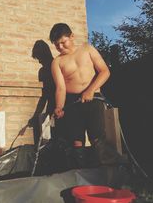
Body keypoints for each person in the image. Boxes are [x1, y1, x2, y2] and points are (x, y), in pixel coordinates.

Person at [49, 23, 115, 165]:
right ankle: (80, 177)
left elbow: (105, 72)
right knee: (76, 141)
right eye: (56, 44)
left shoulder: (87, 49)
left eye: (63, 42)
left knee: (97, 137)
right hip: (72, 103)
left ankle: (107, 176)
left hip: (93, 98)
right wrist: (59, 107)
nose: (60, 47)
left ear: (72, 36)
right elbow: (60, 88)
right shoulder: (57, 62)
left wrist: (90, 90)